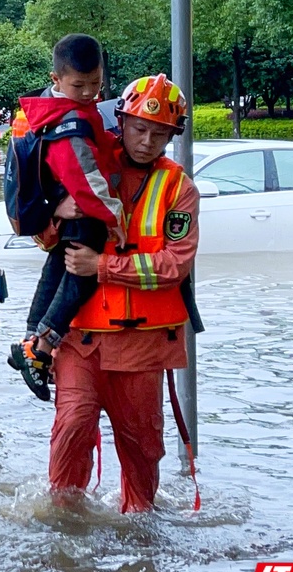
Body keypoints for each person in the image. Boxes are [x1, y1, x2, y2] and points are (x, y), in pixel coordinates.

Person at [46, 73, 200, 513]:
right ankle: (64, 521)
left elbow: (174, 265)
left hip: (142, 347)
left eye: (159, 133)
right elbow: (39, 234)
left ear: (172, 135)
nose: (147, 141)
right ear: (122, 122)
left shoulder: (179, 188)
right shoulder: (88, 160)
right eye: (139, 129)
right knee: (71, 428)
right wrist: (56, 213)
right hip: (82, 338)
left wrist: (103, 267)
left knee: (141, 448)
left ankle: (140, 528)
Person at [7, 33, 122, 401]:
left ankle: (27, 339)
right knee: (82, 278)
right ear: (56, 80)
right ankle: (41, 348)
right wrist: (114, 218)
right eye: (79, 85)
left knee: (57, 269)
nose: (89, 92)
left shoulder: (48, 110)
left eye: (96, 84)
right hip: (82, 214)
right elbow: (87, 181)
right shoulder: (69, 124)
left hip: (62, 215)